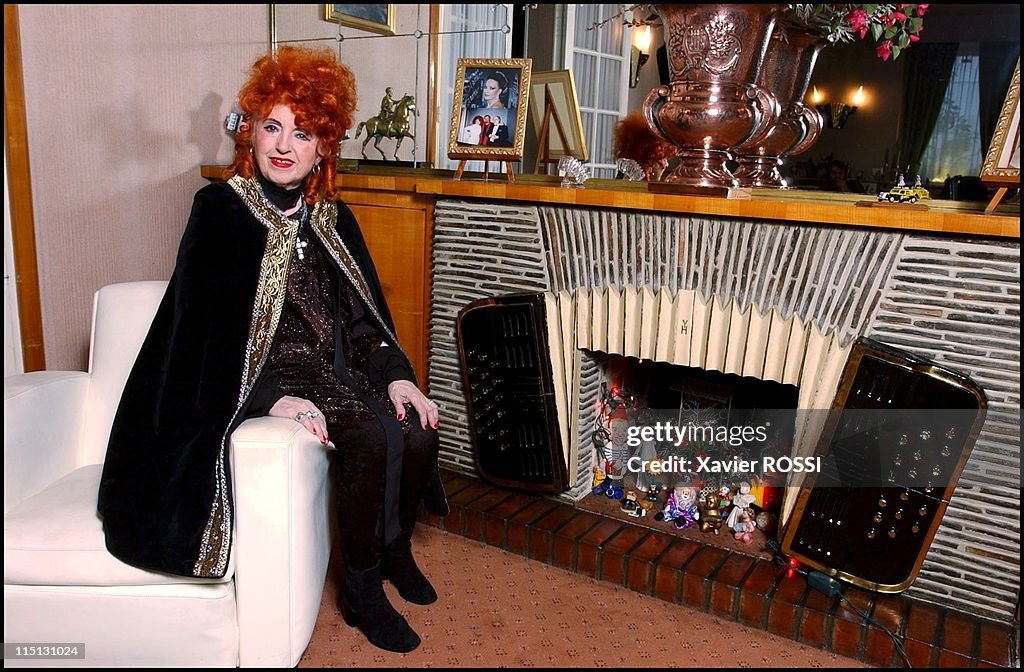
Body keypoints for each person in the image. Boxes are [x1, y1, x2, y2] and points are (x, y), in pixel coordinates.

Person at [96, 46, 447, 655]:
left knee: (416, 427)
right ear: (251, 132)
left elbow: (364, 322)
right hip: (268, 377)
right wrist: (271, 400)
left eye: (302, 132)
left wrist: (397, 376)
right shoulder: (221, 212)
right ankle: (361, 592)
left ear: (322, 147)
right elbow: (199, 338)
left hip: (334, 366)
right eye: (272, 126)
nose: (285, 145)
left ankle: (393, 551)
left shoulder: (331, 217)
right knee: (366, 434)